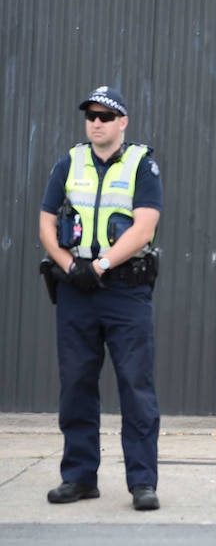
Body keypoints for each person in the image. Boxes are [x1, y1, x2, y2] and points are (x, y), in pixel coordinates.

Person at [38, 86, 163, 511]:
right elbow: (46, 223)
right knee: (75, 384)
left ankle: (143, 483)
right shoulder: (68, 162)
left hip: (125, 289)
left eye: (106, 116)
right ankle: (78, 477)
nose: (96, 122)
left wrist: (101, 265)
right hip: (76, 290)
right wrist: (70, 266)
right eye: (91, 115)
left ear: (122, 123)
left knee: (135, 386)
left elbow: (143, 227)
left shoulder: (141, 164)